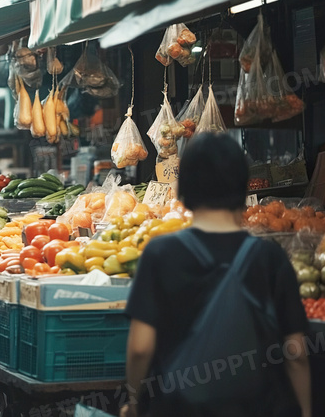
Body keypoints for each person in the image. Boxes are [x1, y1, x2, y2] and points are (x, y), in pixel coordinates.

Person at [121, 133, 311, 417]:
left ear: (183, 189)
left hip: (178, 409)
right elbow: (295, 352)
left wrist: (135, 405)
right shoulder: (271, 256)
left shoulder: (160, 253)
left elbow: (140, 348)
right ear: (242, 187)